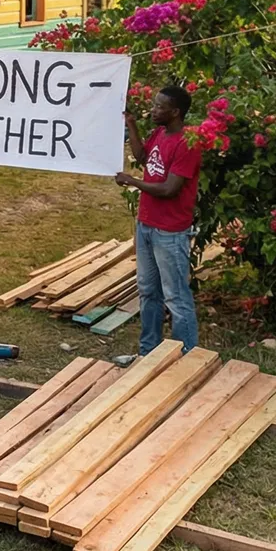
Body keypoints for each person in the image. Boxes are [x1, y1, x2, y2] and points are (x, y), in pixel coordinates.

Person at [116, 86, 200, 354]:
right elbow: (144, 158)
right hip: (147, 225)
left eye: (159, 107)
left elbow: (168, 189)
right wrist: (131, 125)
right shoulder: (160, 133)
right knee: (148, 291)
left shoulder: (187, 143)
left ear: (175, 112)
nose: (153, 110)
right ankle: (148, 351)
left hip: (170, 231)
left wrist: (132, 181)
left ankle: (186, 355)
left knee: (176, 296)